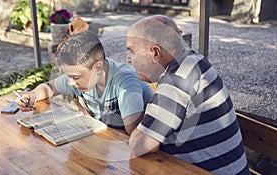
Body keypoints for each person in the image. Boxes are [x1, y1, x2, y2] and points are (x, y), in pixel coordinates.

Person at [127, 15, 250, 174]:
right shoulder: (193, 60)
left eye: (131, 51)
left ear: (155, 53)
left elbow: (139, 145)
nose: (128, 59)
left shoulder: (177, 80)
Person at [15, 31, 153, 135]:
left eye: (75, 77)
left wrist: (92, 123)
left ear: (97, 68)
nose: (70, 83)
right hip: (104, 142)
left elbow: (135, 136)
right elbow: (48, 88)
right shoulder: (81, 77)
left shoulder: (124, 82)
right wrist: (32, 94)